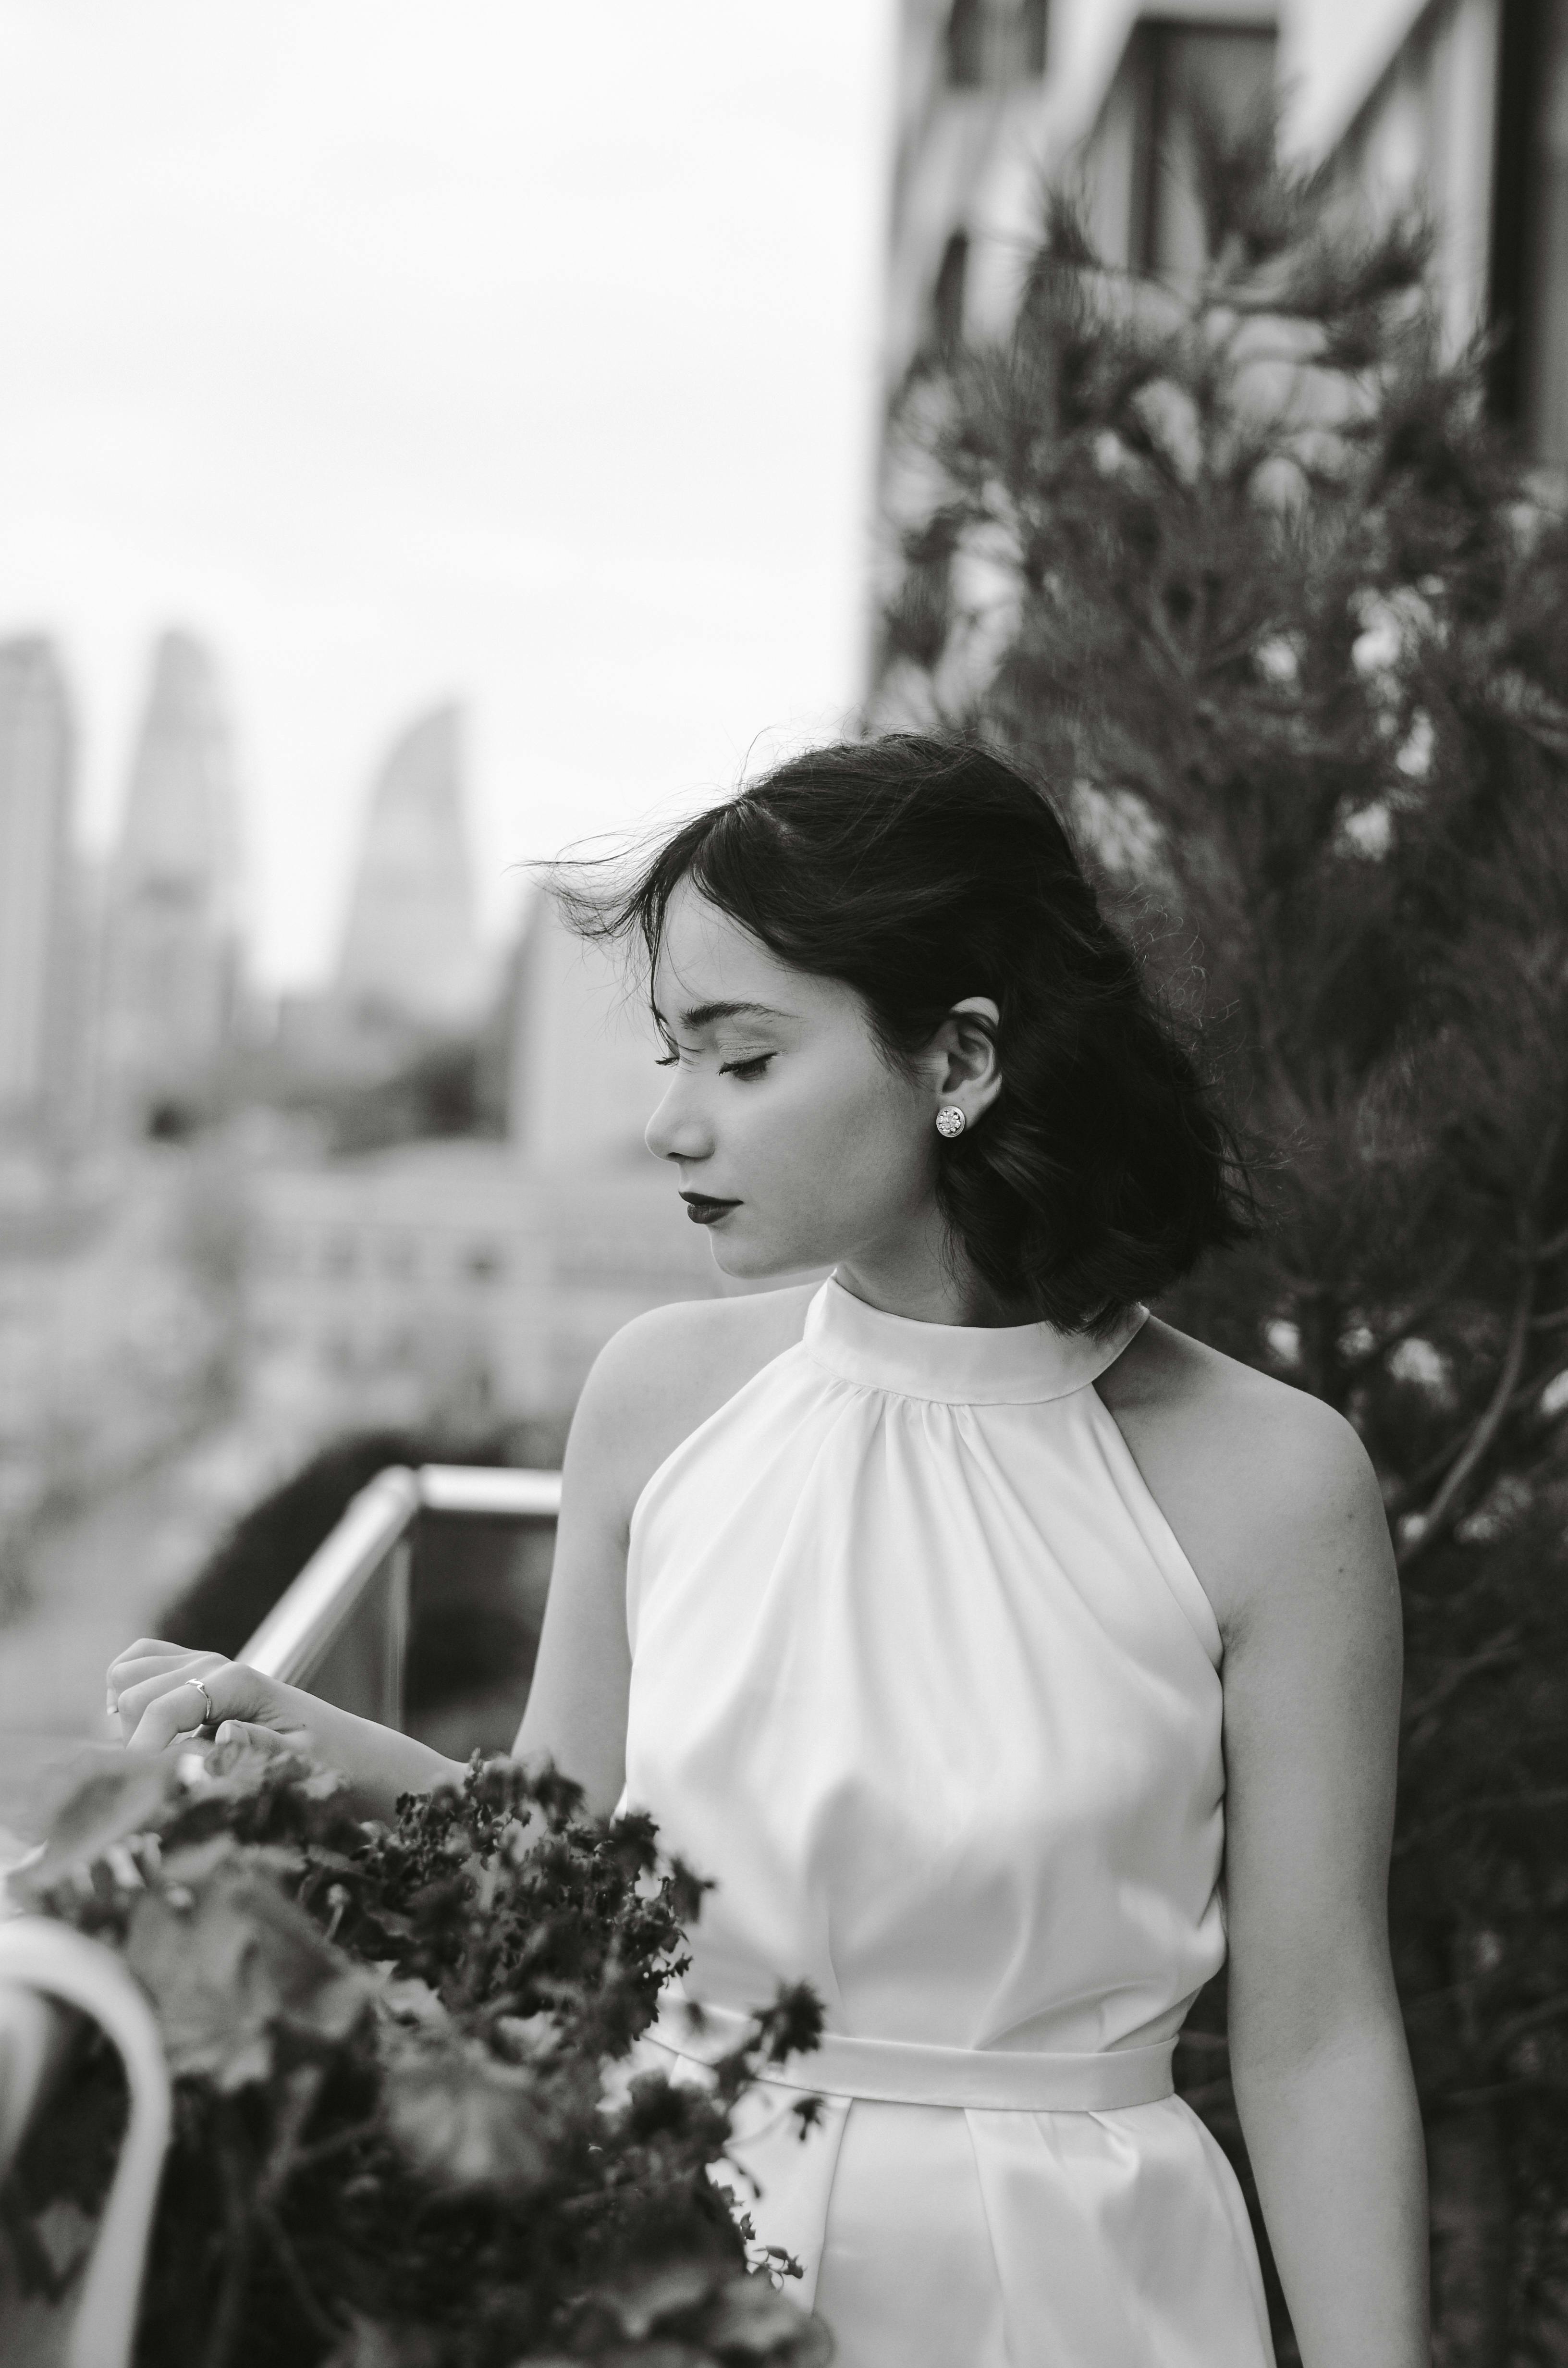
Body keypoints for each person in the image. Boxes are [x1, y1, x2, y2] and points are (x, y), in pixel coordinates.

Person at [110, 735, 1429, 2368]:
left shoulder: (1274, 1483)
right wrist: (310, 1742)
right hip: (648, 2240)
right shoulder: (657, 1399)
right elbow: (566, 1867)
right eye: (672, 1055)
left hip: (1076, 2294)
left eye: (741, 1063)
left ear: (958, 1061)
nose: (672, 1126)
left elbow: (1314, 2038)